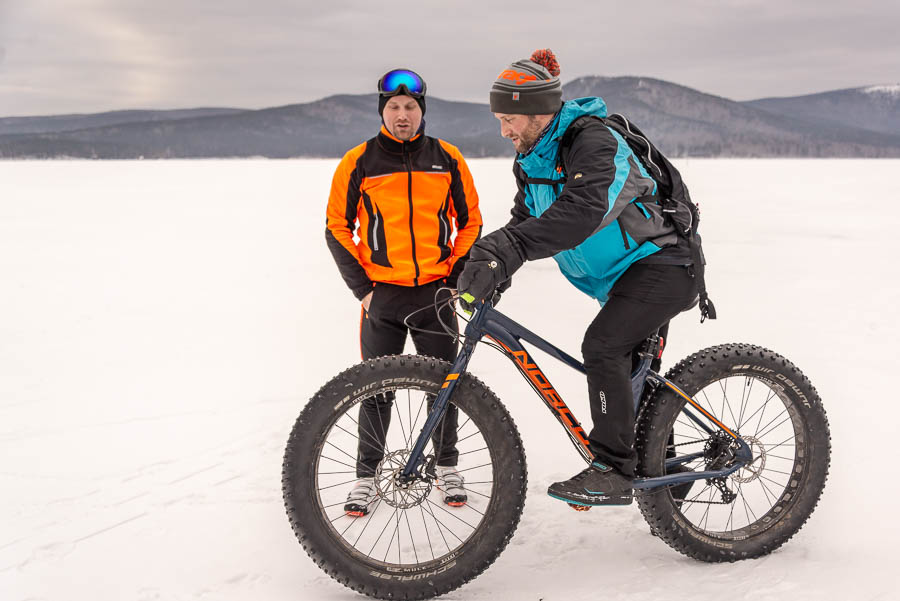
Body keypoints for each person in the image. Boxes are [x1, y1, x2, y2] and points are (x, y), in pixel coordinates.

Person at [458, 49, 699, 507]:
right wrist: (491, 261)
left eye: (509, 118)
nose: (503, 131)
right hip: (625, 274)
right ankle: (665, 475)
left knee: (604, 346)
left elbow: (583, 210)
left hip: (664, 263)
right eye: (499, 119)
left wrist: (513, 249)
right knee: (633, 378)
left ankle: (611, 469)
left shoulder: (593, 141)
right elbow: (525, 218)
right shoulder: (534, 156)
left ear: (539, 111)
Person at [326, 68, 483, 516]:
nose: (402, 115)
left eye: (410, 107)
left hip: (435, 295)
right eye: (393, 107)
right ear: (382, 111)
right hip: (384, 298)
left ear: (422, 111)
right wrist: (363, 288)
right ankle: (365, 477)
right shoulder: (359, 161)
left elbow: (470, 221)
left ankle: (447, 468)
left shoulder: (446, 158)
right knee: (376, 390)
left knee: (445, 387)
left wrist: (453, 277)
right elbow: (337, 226)